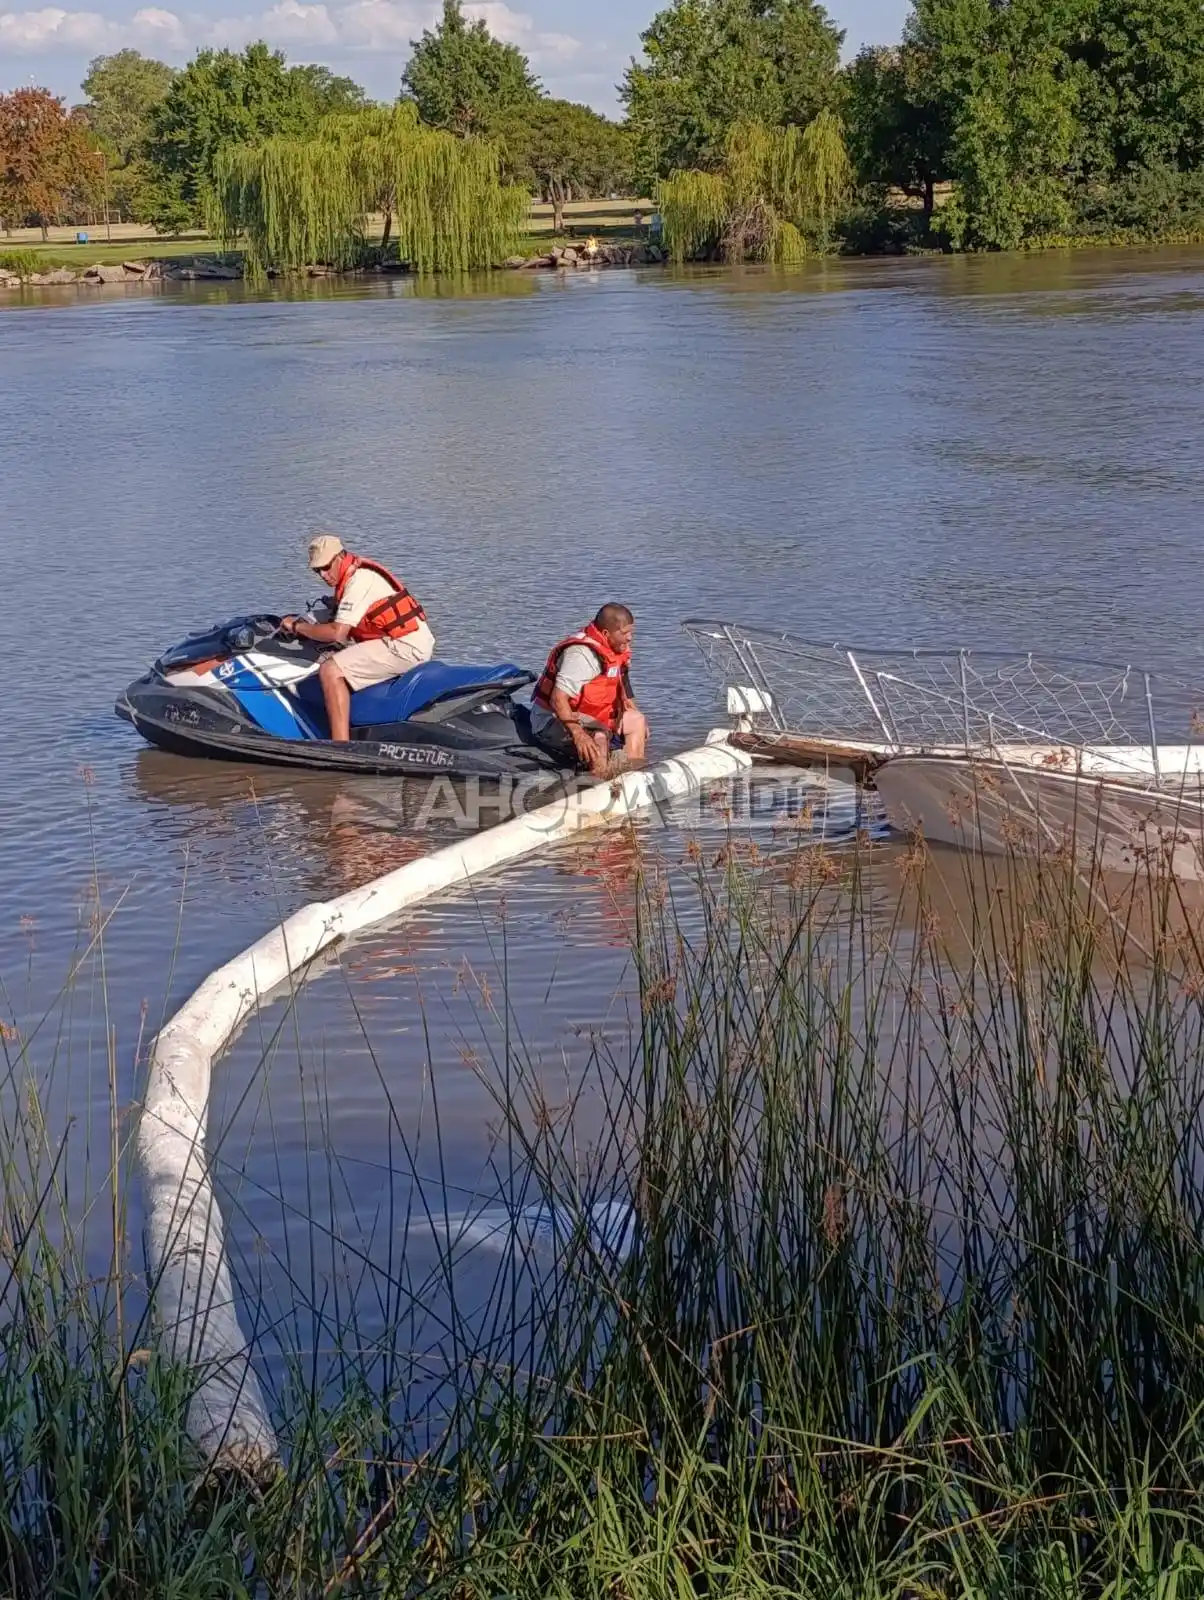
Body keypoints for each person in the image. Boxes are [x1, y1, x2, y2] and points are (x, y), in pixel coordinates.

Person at [281, 533, 435, 743]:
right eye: (318, 571)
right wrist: (302, 621)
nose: (323, 575)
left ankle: (340, 745)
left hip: (404, 646)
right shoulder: (351, 578)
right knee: (331, 657)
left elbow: (337, 632)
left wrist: (298, 627)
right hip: (400, 641)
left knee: (331, 670)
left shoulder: (360, 580)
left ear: (339, 557)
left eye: (326, 567)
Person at [530, 604, 649, 775]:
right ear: (606, 633)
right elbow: (558, 699)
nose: (630, 638)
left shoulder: (616, 647)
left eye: (631, 632)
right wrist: (579, 735)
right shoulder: (581, 656)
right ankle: (600, 784)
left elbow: (622, 678)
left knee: (637, 721)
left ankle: (633, 777)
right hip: (551, 719)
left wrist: (633, 709)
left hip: (590, 713)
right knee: (598, 737)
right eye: (624, 633)